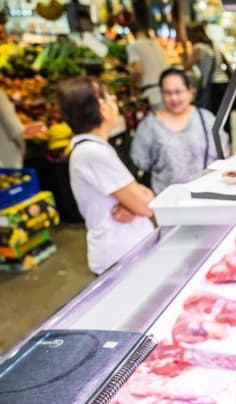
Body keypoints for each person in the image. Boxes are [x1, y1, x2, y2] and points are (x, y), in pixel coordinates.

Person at [57, 77, 154, 275]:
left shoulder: (95, 149)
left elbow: (139, 199)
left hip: (128, 253)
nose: (113, 100)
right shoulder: (93, 153)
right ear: (101, 107)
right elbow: (146, 206)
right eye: (108, 96)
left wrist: (132, 202)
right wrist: (138, 200)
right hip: (122, 257)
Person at [130, 68, 228, 195]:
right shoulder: (149, 125)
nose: (174, 98)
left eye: (178, 92)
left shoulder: (206, 118)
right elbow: (140, 162)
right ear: (161, 93)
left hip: (208, 195)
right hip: (168, 200)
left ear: (190, 91)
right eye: (167, 93)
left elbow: (224, 154)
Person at [127, 25, 169, 110]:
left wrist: (133, 90)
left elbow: (138, 71)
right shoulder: (157, 45)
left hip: (151, 95)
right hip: (166, 91)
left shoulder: (133, 46)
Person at [185, 22, 217, 109]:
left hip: (206, 84)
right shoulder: (208, 46)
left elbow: (187, 66)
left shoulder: (198, 47)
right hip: (214, 82)